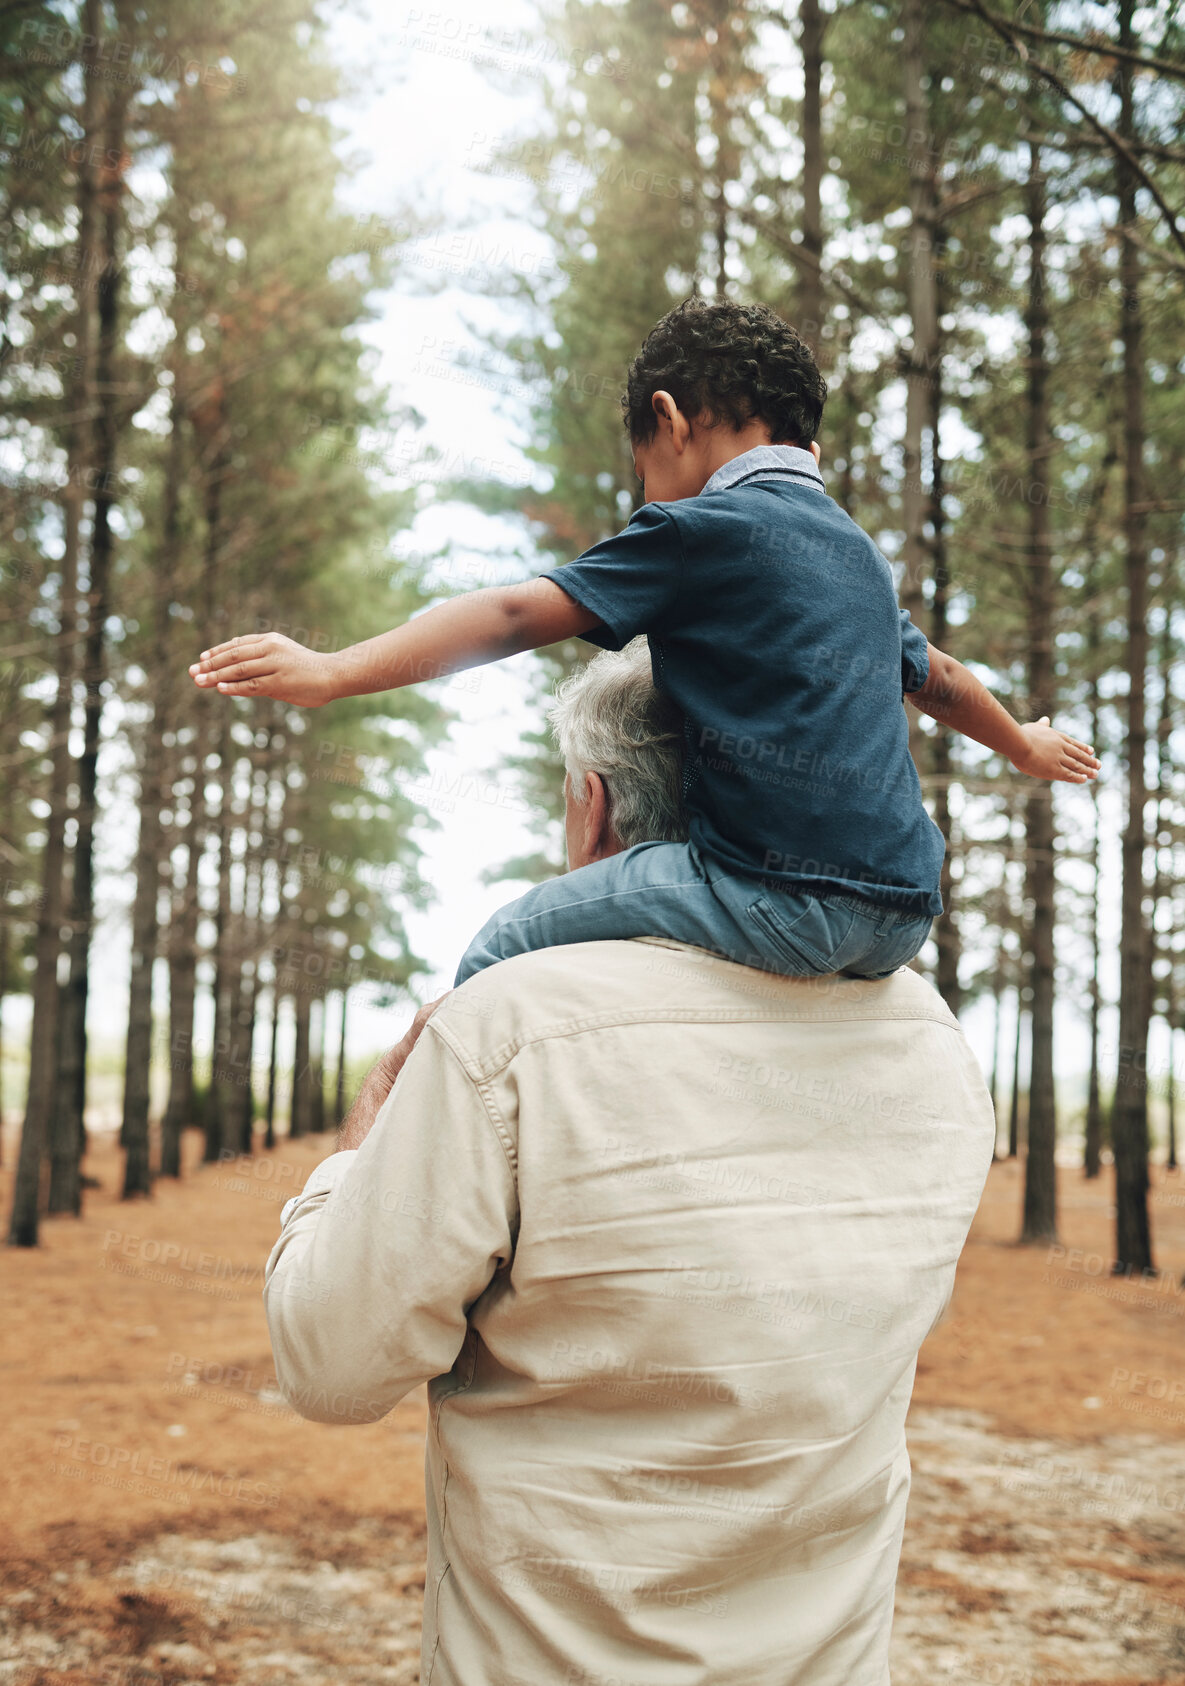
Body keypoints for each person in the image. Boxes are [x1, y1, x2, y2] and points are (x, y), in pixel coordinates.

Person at [263, 640, 998, 1686]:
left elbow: (331, 1366)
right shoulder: (930, 1038)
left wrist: (347, 1166)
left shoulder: (512, 1029)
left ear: (595, 806)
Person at [191, 297, 1098, 988]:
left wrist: (333, 669)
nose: (653, 492)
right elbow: (935, 677)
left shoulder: (701, 529)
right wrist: (1023, 743)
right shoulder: (855, 554)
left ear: (670, 420)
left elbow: (513, 614)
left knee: (501, 946)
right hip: (903, 915)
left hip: (779, 898)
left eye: (645, 470)